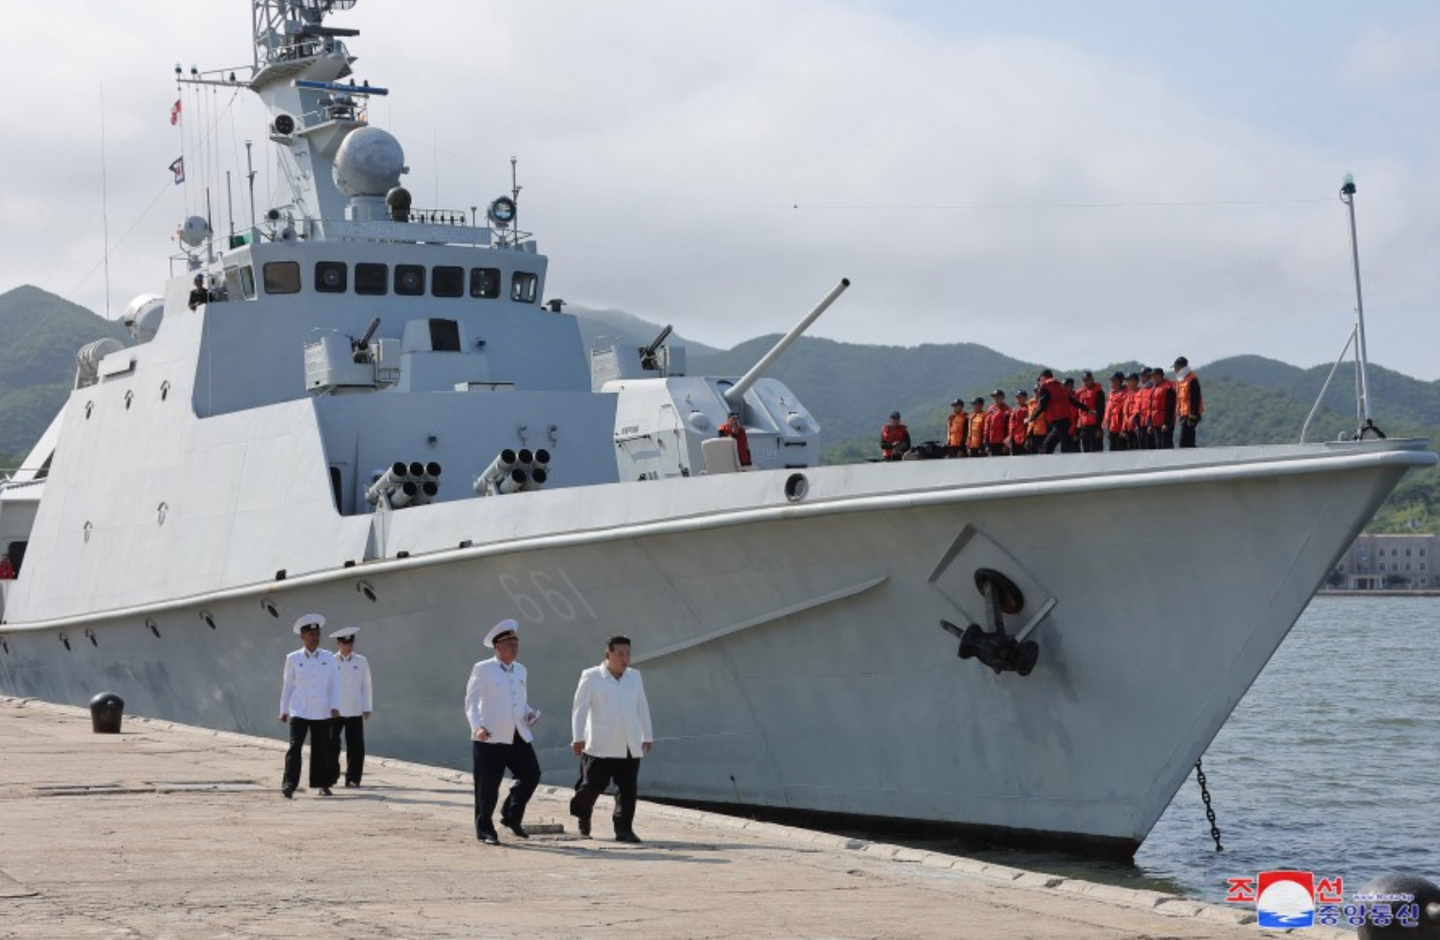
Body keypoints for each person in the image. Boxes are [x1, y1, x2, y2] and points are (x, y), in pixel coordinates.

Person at [464, 619, 542, 845]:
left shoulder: (521, 670)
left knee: (531, 775)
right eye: (509, 644)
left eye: (516, 643)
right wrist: (477, 727)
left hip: (517, 733)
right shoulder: (483, 669)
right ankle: (485, 830)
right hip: (490, 735)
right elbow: (471, 703)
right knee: (487, 787)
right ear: (497, 648)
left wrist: (529, 713)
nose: (515, 648)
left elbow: (519, 701)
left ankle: (511, 816)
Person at [570, 635, 654, 843]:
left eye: (628, 654)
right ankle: (583, 812)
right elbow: (579, 709)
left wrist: (647, 734)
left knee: (627, 789)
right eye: (620, 654)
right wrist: (578, 737)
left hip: (628, 742)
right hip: (600, 743)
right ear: (608, 655)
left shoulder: (634, 676)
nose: (625, 659)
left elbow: (642, 706)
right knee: (592, 785)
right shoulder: (591, 676)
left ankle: (624, 829)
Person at [279, 613, 340, 799]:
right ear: (302, 636)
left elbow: (334, 684)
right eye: (311, 634)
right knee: (295, 747)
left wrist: (335, 706)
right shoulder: (293, 658)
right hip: (300, 709)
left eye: (317, 634)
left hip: (321, 711)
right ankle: (289, 784)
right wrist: (283, 710)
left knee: (321, 748)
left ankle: (323, 784)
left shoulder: (329, 658)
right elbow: (288, 685)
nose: (315, 637)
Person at [327, 626, 373, 789]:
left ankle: (353, 778)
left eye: (350, 643)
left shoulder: (361, 661)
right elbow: (327, 686)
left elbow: (366, 685)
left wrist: (367, 707)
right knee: (332, 745)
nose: (348, 646)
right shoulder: (330, 661)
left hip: (354, 709)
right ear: (338, 644)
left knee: (356, 746)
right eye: (345, 644)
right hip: (335, 710)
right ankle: (331, 776)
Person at [1174, 356, 1204, 448]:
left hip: (1191, 414)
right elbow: (1180, 398)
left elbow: (1195, 398)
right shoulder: (1181, 380)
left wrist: (1193, 415)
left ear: (1181, 367)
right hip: (1184, 414)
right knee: (1186, 442)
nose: (1175, 369)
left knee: (1185, 442)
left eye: (1176, 367)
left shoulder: (1192, 379)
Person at [1075, 371, 1106, 453]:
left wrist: (1099, 428)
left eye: (1087, 380)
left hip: (1094, 427)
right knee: (1086, 451)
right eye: (1084, 380)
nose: (1086, 382)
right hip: (1084, 427)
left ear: (1092, 379)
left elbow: (1101, 411)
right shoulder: (1081, 392)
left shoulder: (1098, 392)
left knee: (1096, 452)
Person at [1149, 366, 1177, 449]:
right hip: (1156, 422)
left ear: (1160, 376)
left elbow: (1170, 407)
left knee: (1166, 445)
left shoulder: (1168, 387)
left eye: (1154, 376)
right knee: (1158, 445)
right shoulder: (1155, 388)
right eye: (1151, 376)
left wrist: (1166, 423)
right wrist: (1150, 424)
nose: (1152, 378)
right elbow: (1151, 407)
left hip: (1164, 423)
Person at [1103, 371, 1130, 452]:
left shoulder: (1127, 393)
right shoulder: (1111, 394)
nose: (1111, 382)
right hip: (1112, 429)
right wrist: (1107, 429)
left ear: (1119, 381)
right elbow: (1108, 413)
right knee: (1112, 453)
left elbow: (1126, 413)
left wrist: (1124, 430)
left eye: (1113, 380)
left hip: (1121, 430)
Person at [983, 390, 1011, 457]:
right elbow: (987, 426)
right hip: (991, 441)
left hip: (1001, 442)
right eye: (994, 397)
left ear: (1002, 398)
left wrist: (1006, 444)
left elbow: (1009, 428)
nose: (996, 399)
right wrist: (986, 443)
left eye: (998, 397)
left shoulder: (1007, 410)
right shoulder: (991, 409)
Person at [1009, 391, 1030, 455]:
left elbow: (1029, 425)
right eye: (1017, 397)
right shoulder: (1014, 410)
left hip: (1024, 438)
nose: (1018, 399)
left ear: (1025, 398)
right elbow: (1011, 425)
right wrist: (1010, 438)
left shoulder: (1028, 409)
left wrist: (1028, 439)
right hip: (1015, 439)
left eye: (1020, 397)